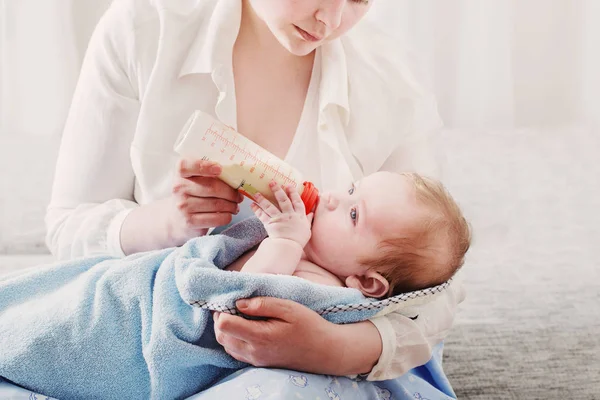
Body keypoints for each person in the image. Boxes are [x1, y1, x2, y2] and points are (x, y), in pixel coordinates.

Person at [46, 0, 465, 390]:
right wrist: (169, 221)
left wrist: (335, 350)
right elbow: (68, 227)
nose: (331, 20)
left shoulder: (391, 78)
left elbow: (432, 281)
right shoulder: (145, 27)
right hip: (156, 332)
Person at [238, 172, 471, 300]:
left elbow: (244, 296)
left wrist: (284, 242)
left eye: (353, 214)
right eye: (351, 190)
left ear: (366, 281)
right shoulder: (309, 247)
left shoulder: (323, 291)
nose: (332, 198)